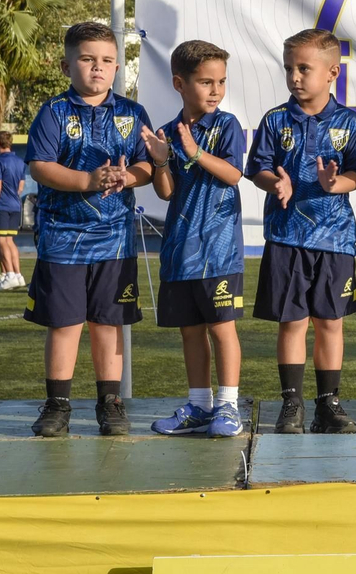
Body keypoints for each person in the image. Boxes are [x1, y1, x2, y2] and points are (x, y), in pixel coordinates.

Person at [23, 21, 154, 438]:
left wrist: (129, 177)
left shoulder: (133, 114)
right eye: (87, 59)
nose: (98, 68)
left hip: (115, 240)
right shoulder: (53, 112)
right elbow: (40, 166)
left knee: (108, 324)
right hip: (62, 238)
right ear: (67, 65)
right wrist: (87, 181)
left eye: (107, 61)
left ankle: (110, 402)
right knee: (65, 324)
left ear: (118, 67)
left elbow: (148, 164)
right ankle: (58, 404)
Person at [247, 28, 356, 436]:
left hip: (334, 239)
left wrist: (336, 183)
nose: (295, 77)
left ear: (332, 72)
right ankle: (292, 402)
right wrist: (275, 183)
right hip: (286, 237)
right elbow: (259, 167)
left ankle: (328, 403)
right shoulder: (275, 119)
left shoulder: (349, 122)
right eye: (289, 69)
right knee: (292, 323)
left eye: (304, 68)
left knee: (330, 323)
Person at [141, 40, 249, 440]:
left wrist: (195, 151)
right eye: (206, 82)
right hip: (180, 249)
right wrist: (161, 159)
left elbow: (234, 175)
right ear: (179, 84)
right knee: (190, 330)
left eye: (220, 81)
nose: (216, 90)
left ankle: (228, 406)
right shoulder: (167, 132)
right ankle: (199, 406)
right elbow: (166, 192)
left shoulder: (227, 125)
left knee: (222, 327)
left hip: (219, 251)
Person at [0, 131, 27, 290]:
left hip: (2, 206)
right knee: (10, 241)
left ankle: (9, 275)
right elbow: (20, 187)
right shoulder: (19, 161)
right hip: (15, 205)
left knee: (2, 241)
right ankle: (18, 275)